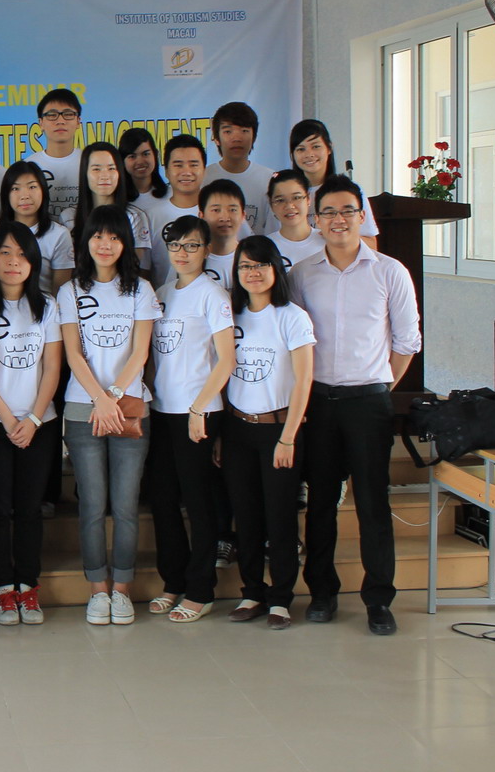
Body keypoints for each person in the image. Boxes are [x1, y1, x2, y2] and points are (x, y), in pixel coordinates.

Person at [290, 175, 420, 635]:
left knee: (372, 502)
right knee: (321, 502)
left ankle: (378, 599)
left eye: (347, 210)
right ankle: (322, 593)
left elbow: (407, 340)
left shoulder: (390, 271)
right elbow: (294, 341)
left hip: (368, 402)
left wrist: (379, 385)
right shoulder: (301, 274)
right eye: (328, 212)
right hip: (318, 402)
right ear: (316, 220)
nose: (338, 219)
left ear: (362, 216)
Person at [57, 204, 161, 627]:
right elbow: (72, 353)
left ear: (125, 244)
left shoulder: (141, 290)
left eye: (115, 237)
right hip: (83, 409)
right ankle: (98, 589)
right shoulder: (70, 291)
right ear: (86, 241)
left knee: (125, 505)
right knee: (93, 505)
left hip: (130, 406)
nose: (105, 244)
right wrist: (99, 399)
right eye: (98, 236)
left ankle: (122, 588)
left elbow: (140, 352)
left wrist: (113, 396)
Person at [144, 216, 235, 624]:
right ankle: (173, 581)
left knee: (198, 503)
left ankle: (201, 590)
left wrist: (199, 408)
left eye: (192, 245)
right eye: (176, 245)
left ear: (207, 250)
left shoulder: (213, 295)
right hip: (162, 411)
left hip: (199, 413)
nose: (183, 253)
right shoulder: (161, 293)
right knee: (163, 500)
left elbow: (226, 360)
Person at [222, 235, 315, 631]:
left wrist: (288, 437)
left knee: (280, 518)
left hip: (278, 430)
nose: (253, 272)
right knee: (245, 515)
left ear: (276, 269)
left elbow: (303, 380)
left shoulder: (292, 316)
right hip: (237, 428)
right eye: (245, 266)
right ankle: (252, 592)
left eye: (260, 264)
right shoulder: (232, 315)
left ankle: (281, 598)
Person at [0, 223, 61, 626]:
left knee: (29, 509)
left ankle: (28, 586)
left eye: (23, 254)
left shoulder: (47, 306)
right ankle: (1, 589)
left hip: (39, 424)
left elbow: (53, 366)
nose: (14, 262)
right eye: (5, 253)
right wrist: (9, 419)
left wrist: (33, 418)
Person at [288, 119, 379, 245]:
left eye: (316, 146)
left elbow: (372, 245)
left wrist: (338, 235)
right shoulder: (287, 194)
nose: (309, 154)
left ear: (329, 148)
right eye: (301, 149)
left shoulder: (348, 191)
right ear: (292, 155)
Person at [137, 133, 209, 284]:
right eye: (178, 165)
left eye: (193, 164)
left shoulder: (216, 214)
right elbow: (144, 271)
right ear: (167, 171)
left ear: (204, 169)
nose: (186, 172)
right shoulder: (150, 217)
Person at [72, 142, 151, 271]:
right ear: (85, 173)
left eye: (111, 168)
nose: (104, 176)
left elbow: (139, 268)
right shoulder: (69, 216)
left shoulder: (134, 216)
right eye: (96, 169)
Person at [0, 161, 73, 294]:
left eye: (32, 187)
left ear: (43, 190)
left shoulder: (59, 234)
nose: (25, 196)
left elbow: (60, 290)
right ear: (6, 195)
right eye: (15, 188)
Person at [204, 102, 275, 234]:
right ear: (216, 138)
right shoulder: (204, 178)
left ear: (254, 137)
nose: (237, 138)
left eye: (244, 131)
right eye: (228, 131)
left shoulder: (269, 179)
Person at [27, 88, 84, 222]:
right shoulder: (29, 166)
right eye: (52, 115)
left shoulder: (89, 162)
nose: (60, 121)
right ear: (41, 123)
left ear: (78, 121)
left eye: (68, 114)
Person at [265, 168, 324, 270]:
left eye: (296, 198)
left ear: (308, 199)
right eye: (280, 200)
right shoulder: (265, 247)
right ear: (271, 204)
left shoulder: (326, 241)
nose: (289, 206)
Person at [198, 178, 248, 286]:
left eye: (232, 210)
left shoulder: (253, 259)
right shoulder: (190, 258)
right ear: (201, 216)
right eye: (216, 210)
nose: (225, 218)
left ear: (243, 215)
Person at [119, 128, 170, 203]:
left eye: (146, 154)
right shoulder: (117, 199)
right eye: (132, 156)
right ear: (122, 160)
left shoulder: (172, 195)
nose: (140, 162)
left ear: (155, 155)